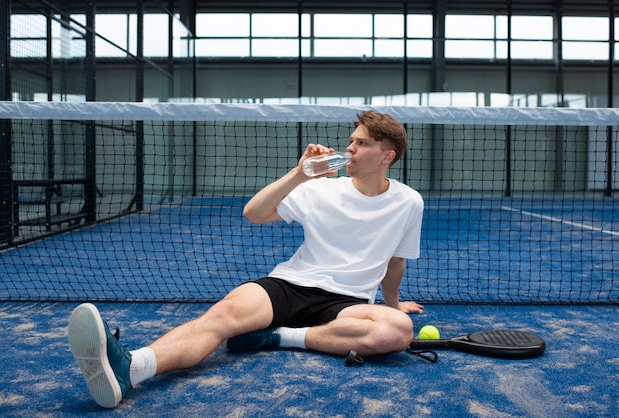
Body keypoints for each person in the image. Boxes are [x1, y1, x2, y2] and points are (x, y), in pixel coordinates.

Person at [68, 110, 425, 409]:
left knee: (398, 331)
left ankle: (280, 337)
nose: (349, 148)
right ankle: (131, 368)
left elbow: (395, 263)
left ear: (386, 156)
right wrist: (300, 173)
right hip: (290, 284)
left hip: (347, 303)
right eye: (351, 140)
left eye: (361, 143)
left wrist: (394, 306)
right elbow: (254, 213)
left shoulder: (409, 202)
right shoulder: (319, 189)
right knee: (222, 315)